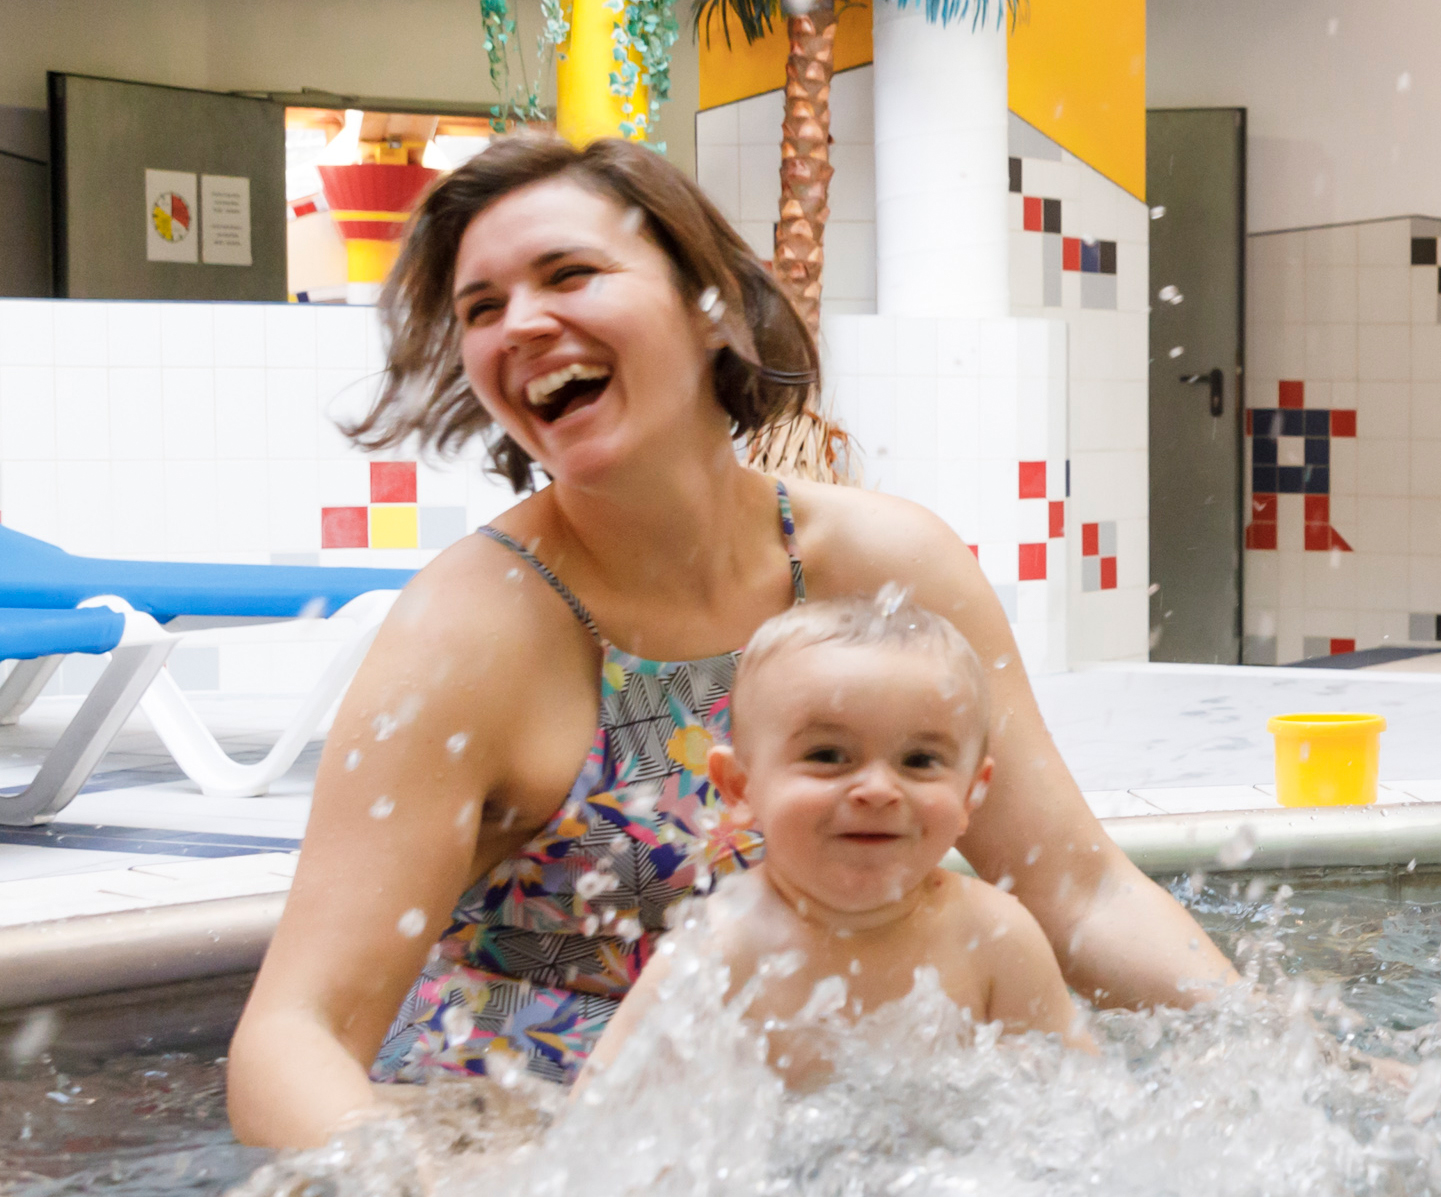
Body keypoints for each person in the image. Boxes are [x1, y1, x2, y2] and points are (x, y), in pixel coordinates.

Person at [227, 136, 1232, 1150]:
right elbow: (292, 1037)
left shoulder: (888, 565)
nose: (520, 323)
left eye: (568, 274)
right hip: (533, 1145)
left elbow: (1080, 890)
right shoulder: (470, 632)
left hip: (837, 1137)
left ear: (711, 306)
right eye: (481, 308)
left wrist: (1271, 1053)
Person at [583, 595, 1084, 1088]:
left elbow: (1081, 1101)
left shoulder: (996, 936)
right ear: (740, 788)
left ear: (972, 792)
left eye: (920, 761)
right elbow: (601, 1115)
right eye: (827, 755)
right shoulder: (720, 949)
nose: (879, 790)